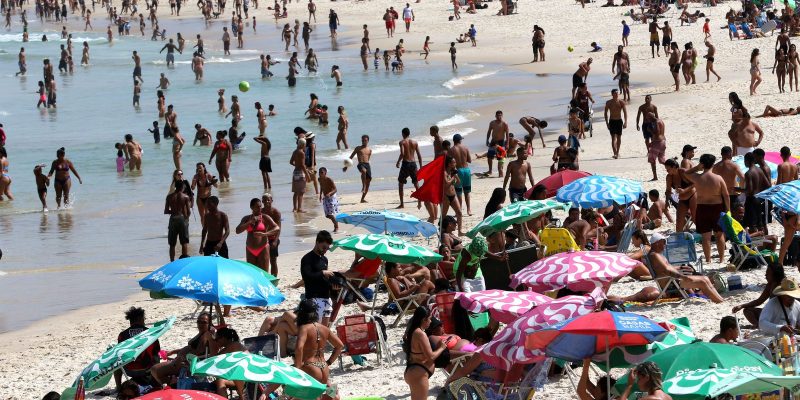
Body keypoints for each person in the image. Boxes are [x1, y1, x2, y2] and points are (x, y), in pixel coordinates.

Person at [685, 154, 729, 263]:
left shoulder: (697, 178)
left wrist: (697, 167)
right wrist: (728, 209)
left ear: (702, 164)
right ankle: (721, 259)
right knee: (719, 234)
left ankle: (708, 260)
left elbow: (686, 173)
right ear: (713, 164)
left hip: (702, 208)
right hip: (717, 208)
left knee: (706, 236)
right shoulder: (718, 178)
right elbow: (726, 195)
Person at [151, 312, 217, 385]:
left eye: (204, 322)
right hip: (181, 361)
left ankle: (173, 386)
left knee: (155, 370)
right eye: (199, 321)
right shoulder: (202, 333)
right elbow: (190, 348)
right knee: (155, 369)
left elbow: (199, 351)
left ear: (209, 324)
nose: (200, 324)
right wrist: (173, 352)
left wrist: (183, 358)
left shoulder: (206, 335)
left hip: (186, 364)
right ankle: (173, 384)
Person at [295, 299, 344, 391]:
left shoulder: (304, 328)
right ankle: (334, 395)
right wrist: (329, 362)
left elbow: (299, 348)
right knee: (323, 394)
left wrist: (298, 368)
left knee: (289, 388)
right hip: (324, 368)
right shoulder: (324, 328)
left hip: (310, 367)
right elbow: (340, 346)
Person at [403, 307, 445, 400]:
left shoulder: (414, 331)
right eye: (429, 318)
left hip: (415, 371)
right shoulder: (420, 334)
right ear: (423, 320)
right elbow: (430, 356)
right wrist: (441, 348)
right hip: (418, 373)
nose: (430, 321)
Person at [113, 307, 161, 389]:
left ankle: (119, 387)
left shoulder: (122, 334)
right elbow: (156, 352)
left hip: (129, 370)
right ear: (140, 319)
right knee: (156, 355)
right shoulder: (150, 333)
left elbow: (120, 354)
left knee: (116, 360)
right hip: (147, 369)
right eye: (144, 319)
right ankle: (156, 382)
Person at [733, 262, 785, 327]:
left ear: (775, 274)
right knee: (747, 310)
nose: (765, 275)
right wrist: (742, 306)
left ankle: (760, 324)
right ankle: (758, 325)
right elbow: (759, 301)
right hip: (771, 313)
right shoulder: (770, 285)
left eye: (768, 273)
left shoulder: (784, 285)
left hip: (783, 316)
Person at [301, 231, 335, 326]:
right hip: (313, 298)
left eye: (327, 248)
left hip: (326, 298)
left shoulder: (324, 259)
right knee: (317, 329)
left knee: (324, 330)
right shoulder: (307, 259)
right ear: (317, 242)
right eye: (324, 247)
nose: (325, 250)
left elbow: (323, 280)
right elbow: (306, 277)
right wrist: (322, 272)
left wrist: (333, 285)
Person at [236, 197, 279, 272]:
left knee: (264, 273)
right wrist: (249, 222)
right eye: (257, 207)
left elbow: (277, 228)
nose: (260, 209)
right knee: (252, 273)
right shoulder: (246, 218)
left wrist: (264, 234)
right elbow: (237, 230)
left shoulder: (265, 217)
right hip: (250, 249)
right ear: (251, 207)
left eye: (260, 206)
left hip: (263, 248)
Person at [213, 328, 247, 398]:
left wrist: (214, 347)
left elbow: (215, 359)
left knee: (220, 380)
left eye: (217, 339)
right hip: (240, 378)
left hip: (245, 378)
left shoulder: (234, 345)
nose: (216, 342)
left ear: (224, 338)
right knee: (218, 381)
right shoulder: (233, 346)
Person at [396, 127, 423, 210]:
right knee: (416, 183)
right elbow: (419, 155)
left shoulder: (402, 142)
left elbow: (402, 154)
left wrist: (398, 162)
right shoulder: (415, 142)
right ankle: (419, 201)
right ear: (409, 133)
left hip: (406, 164)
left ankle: (402, 204)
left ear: (403, 134)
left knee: (401, 183)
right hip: (413, 164)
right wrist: (421, 166)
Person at [165, 180, 191, 261]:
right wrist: (186, 219)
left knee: (172, 243)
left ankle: (172, 261)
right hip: (182, 219)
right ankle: (184, 260)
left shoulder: (169, 197)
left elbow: (166, 211)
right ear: (183, 187)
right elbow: (189, 212)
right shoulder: (185, 197)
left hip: (173, 219)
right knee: (184, 242)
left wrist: (173, 211)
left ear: (175, 186)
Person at [449, 133, 473, 215]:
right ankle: (469, 210)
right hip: (466, 170)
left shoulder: (451, 150)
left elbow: (449, 163)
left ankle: (459, 210)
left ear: (453, 141)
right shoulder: (465, 148)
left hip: (458, 171)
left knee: (458, 192)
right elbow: (469, 160)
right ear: (460, 140)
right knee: (467, 191)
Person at [346, 135, 372, 203]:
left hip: (367, 164)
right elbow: (351, 157)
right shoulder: (358, 148)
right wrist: (346, 166)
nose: (364, 141)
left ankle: (362, 199)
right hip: (360, 164)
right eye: (363, 140)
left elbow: (368, 159)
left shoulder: (369, 150)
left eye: (365, 140)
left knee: (368, 181)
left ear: (368, 141)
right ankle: (363, 186)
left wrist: (367, 165)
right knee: (363, 171)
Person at [483, 110, 509, 177]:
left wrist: (507, 143)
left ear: (502, 116)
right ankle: (490, 170)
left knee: (500, 157)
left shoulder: (504, 123)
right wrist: (487, 140)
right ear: (495, 116)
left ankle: (500, 171)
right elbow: (489, 131)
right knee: (489, 156)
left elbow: (507, 134)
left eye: (500, 115)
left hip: (501, 142)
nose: (499, 117)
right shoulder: (492, 123)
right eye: (498, 115)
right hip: (493, 141)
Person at [604, 89, 627, 159]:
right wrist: (607, 123)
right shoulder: (608, 102)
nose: (616, 94)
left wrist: (626, 122)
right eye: (615, 93)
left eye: (617, 93)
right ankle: (615, 153)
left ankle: (617, 152)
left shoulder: (621, 102)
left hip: (619, 121)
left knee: (619, 137)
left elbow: (625, 112)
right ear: (612, 94)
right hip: (612, 121)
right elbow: (605, 113)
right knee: (613, 138)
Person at [290, 138, 310, 213]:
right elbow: (302, 165)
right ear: (303, 144)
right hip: (300, 173)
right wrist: (307, 174)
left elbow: (291, 162)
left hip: (295, 172)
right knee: (301, 192)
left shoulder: (295, 151)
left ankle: (294, 208)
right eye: (305, 144)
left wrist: (296, 165)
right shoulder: (301, 152)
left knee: (295, 192)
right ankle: (300, 208)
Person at [318, 167, 339, 233]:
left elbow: (335, 189)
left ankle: (336, 226)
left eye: (322, 173)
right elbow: (321, 186)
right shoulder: (319, 179)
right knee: (327, 215)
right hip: (325, 197)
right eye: (319, 173)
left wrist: (330, 193)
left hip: (332, 197)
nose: (320, 174)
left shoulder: (329, 179)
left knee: (330, 214)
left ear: (325, 173)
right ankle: (335, 222)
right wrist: (320, 194)